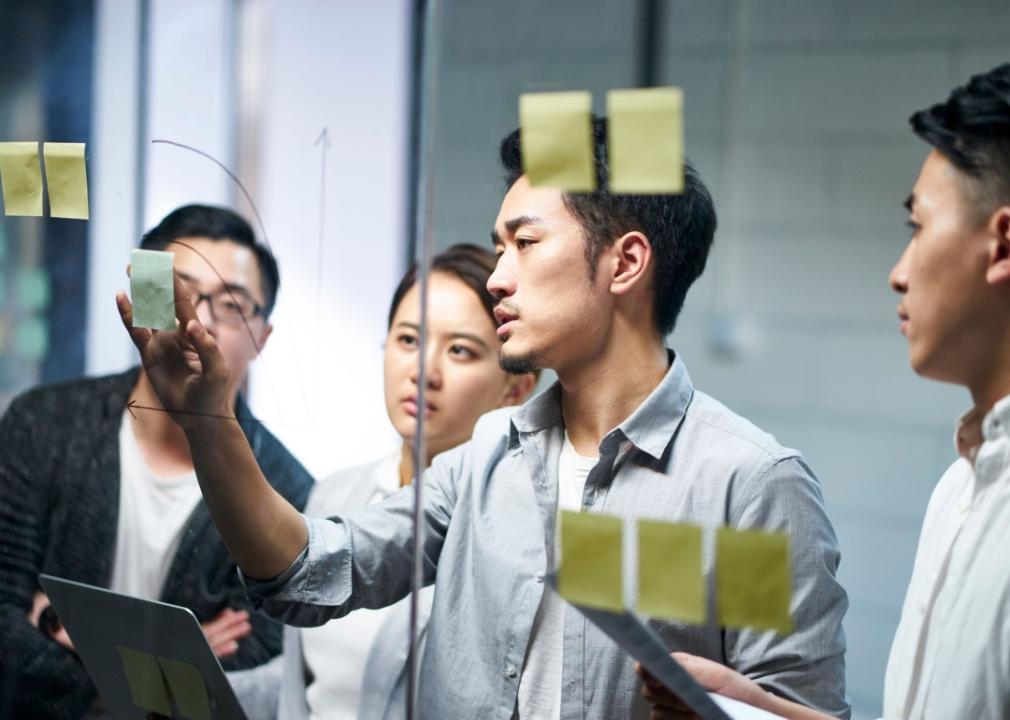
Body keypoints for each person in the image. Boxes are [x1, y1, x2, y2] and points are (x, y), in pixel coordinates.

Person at [116, 120, 850, 719]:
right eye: (499, 248)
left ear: (625, 263)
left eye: (525, 244)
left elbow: (789, 706)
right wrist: (210, 420)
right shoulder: (491, 457)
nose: (498, 277)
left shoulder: (747, 487)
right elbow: (311, 574)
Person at [640, 63, 1010, 720]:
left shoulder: (760, 477)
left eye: (918, 227)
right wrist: (762, 710)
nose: (898, 274)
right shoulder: (965, 487)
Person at [0, 205, 313, 720]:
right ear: (138, 298)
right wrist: (166, 664)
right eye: (175, 291)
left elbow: (244, 679)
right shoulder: (45, 423)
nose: (198, 318)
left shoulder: (287, 492)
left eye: (231, 304)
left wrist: (62, 629)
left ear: (262, 336)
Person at [228, 244, 536, 719]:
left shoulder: (512, 534)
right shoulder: (336, 493)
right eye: (409, 340)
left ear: (514, 389)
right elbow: (309, 682)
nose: (423, 372)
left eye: (459, 350)